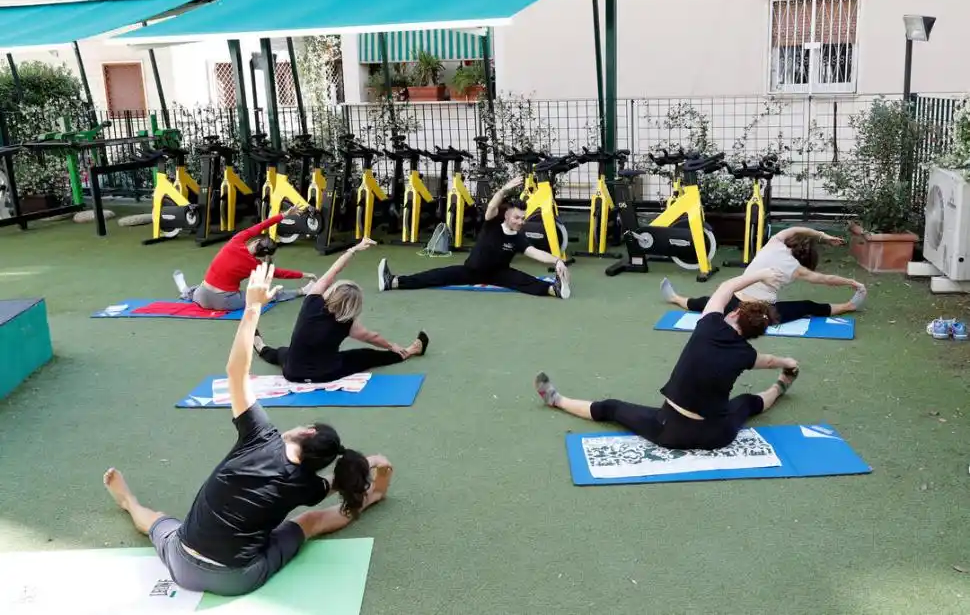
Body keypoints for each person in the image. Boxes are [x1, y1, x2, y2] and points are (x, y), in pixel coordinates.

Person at [103, 262, 394, 596]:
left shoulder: (259, 435)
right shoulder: (309, 486)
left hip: (181, 562)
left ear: (308, 432)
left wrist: (253, 307)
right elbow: (339, 485)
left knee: (158, 520)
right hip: (236, 579)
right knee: (309, 522)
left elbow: (236, 372)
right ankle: (375, 496)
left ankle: (129, 502)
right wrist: (372, 465)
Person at [533, 268, 801, 451]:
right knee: (748, 403)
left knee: (611, 408)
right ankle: (781, 386)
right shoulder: (747, 354)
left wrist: (761, 275)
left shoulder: (709, 324)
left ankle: (557, 400)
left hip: (671, 430)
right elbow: (768, 360)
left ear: (733, 314)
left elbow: (727, 287)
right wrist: (787, 363)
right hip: (716, 435)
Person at [255, 237, 429, 383]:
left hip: (292, 373)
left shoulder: (312, 301)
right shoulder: (347, 323)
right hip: (325, 374)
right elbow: (372, 337)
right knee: (366, 356)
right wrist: (392, 345)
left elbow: (334, 270)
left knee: (283, 353)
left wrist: (354, 250)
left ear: (333, 292)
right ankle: (409, 351)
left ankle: (260, 346)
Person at [376, 176, 571, 299]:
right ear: (506, 216)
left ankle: (554, 289)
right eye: (516, 218)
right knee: (435, 276)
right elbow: (493, 206)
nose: (520, 222)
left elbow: (536, 253)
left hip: (499, 274)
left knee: (524, 279)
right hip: (471, 271)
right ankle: (393, 282)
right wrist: (504, 190)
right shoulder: (492, 223)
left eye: (523, 218)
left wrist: (557, 261)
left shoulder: (518, 238)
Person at [660, 226, 868, 325]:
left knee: (706, 302)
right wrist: (851, 281)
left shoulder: (774, 242)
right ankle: (848, 306)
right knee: (807, 306)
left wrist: (822, 235)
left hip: (738, 305)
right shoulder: (798, 269)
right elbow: (826, 280)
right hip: (762, 313)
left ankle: (675, 298)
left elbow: (796, 228)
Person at [173, 207, 317, 311]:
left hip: (201, 297)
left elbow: (262, 225)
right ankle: (302, 291)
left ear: (256, 241)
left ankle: (187, 291)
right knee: (265, 294)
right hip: (225, 302)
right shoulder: (256, 265)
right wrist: (305, 274)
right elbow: (279, 273)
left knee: (207, 283)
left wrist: (284, 214)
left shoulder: (236, 240)